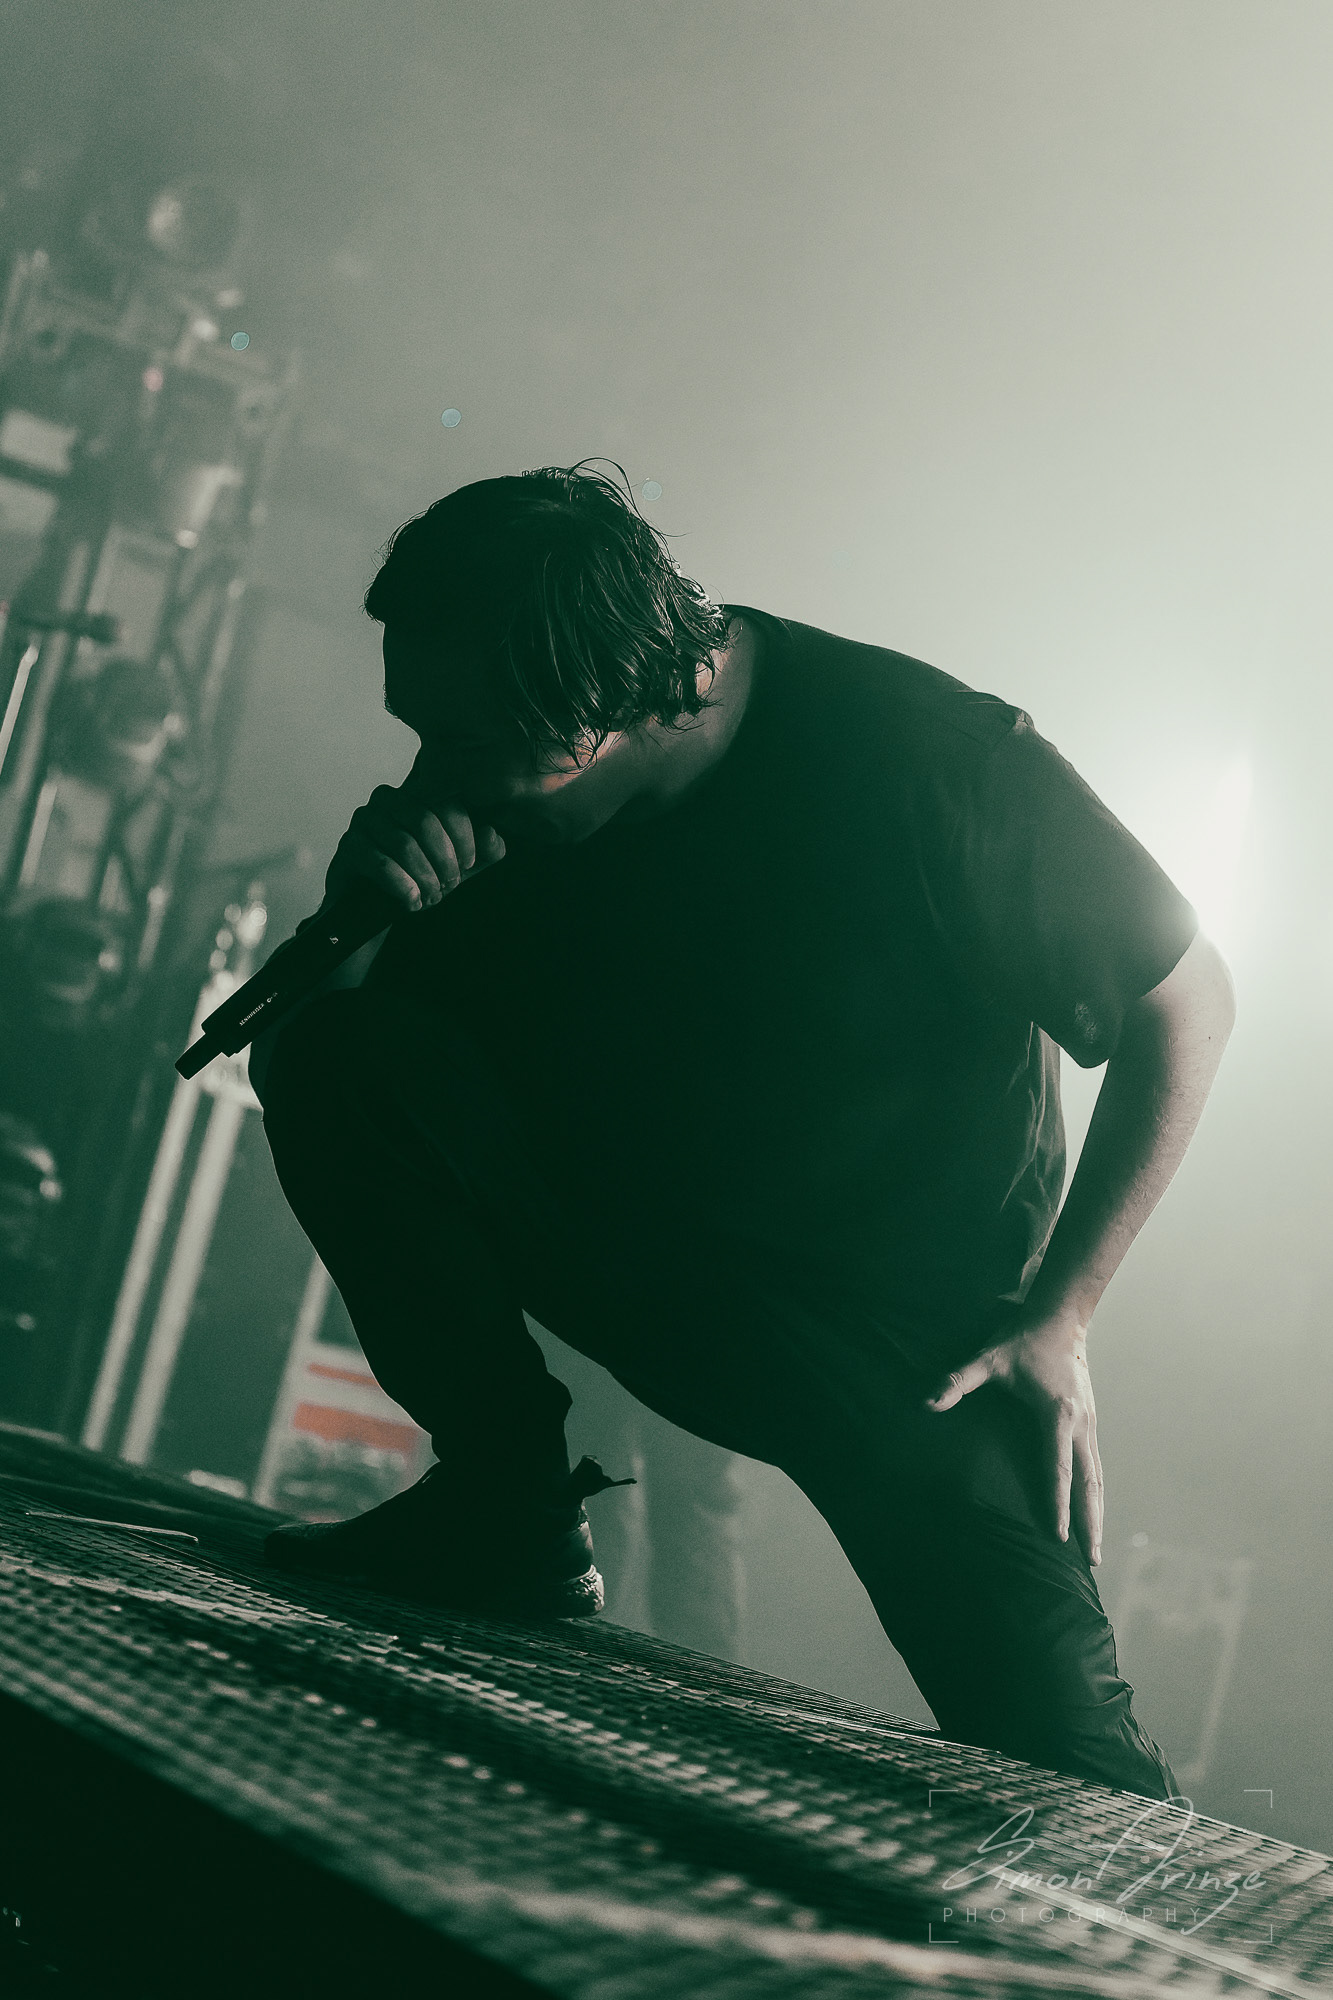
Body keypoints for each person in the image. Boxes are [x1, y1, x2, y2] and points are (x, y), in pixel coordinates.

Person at [252, 462, 1235, 1800]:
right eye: (417, 731)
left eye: (469, 747)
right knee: (321, 1044)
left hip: (905, 1345)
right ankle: (503, 1508)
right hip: (642, 1254)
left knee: (1070, 1773)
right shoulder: (503, 801)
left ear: (600, 712)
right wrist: (356, 911)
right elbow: (344, 1068)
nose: (435, 778)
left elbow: (1187, 999)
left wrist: (1060, 1314)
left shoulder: (923, 760)